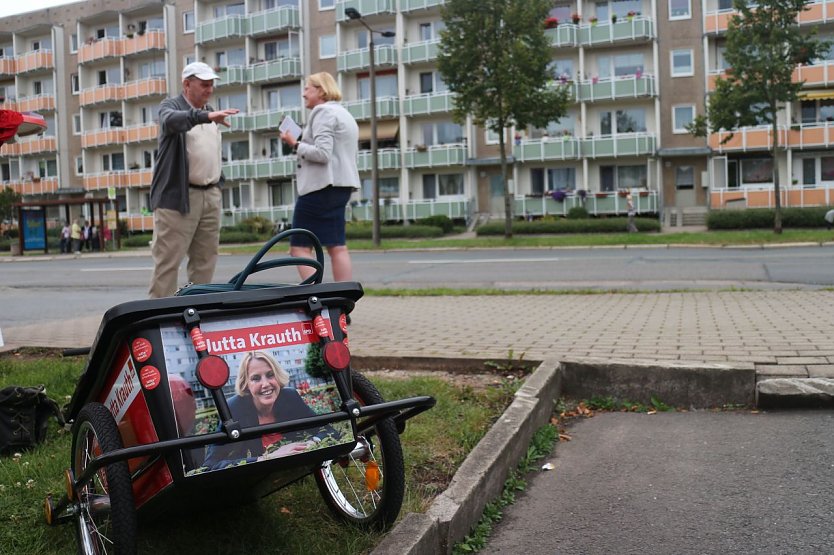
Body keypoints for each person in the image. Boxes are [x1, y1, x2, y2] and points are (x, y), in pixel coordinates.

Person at [147, 62, 240, 298]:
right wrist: (206, 116)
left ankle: (198, 312)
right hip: (178, 198)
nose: (209, 90)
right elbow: (170, 121)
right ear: (187, 84)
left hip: (210, 194)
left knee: (205, 261)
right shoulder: (171, 106)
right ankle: (159, 319)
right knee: (168, 263)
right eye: (204, 85)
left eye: (212, 85)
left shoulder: (209, 111)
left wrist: (218, 186)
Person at [279, 72, 360, 282]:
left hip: (319, 188)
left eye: (307, 88)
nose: (303, 93)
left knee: (299, 248)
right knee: (337, 246)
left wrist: (294, 144)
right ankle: (343, 304)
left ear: (321, 91)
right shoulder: (344, 114)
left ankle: (318, 302)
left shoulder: (321, 112)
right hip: (341, 186)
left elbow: (323, 154)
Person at [203, 351, 321, 470]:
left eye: (270, 375)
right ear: (246, 384)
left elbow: (326, 429)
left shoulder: (290, 396)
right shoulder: (233, 409)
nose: (265, 384)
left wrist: (310, 445)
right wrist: (269, 458)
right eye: (256, 378)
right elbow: (210, 465)